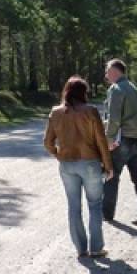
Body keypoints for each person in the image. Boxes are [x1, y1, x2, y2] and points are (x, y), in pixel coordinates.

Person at [44, 76, 114, 259]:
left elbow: (47, 142)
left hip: (67, 164)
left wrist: (58, 155)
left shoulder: (56, 112)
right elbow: (100, 140)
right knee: (95, 205)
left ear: (66, 91)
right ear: (83, 92)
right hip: (90, 163)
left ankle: (81, 249)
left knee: (74, 207)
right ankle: (96, 248)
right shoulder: (90, 111)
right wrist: (108, 165)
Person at [101, 58, 137, 227]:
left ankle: (107, 214)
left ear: (116, 71)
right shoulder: (134, 88)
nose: (106, 74)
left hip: (123, 139)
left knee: (111, 175)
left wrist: (109, 140)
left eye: (108, 71)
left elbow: (114, 119)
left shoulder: (116, 89)